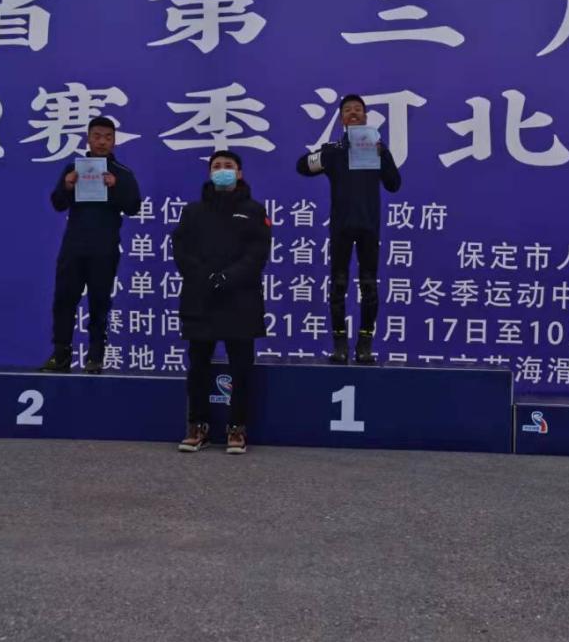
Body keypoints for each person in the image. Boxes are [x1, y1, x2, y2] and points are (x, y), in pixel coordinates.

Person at [172, 150, 271, 454]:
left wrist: (228, 277)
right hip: (201, 298)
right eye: (217, 166)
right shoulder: (193, 212)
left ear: (239, 173)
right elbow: (182, 250)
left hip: (240, 299)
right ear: (210, 173)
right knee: (198, 366)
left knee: (241, 367)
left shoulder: (254, 210)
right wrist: (206, 277)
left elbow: (257, 254)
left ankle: (237, 428)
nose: (223, 170)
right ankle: (197, 426)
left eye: (229, 166)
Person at [295, 94, 402, 365]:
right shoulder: (334, 151)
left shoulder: (377, 149)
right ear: (342, 119)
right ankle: (340, 345)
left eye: (358, 109)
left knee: (369, 287)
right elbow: (302, 166)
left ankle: (365, 345)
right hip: (341, 228)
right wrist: (327, 154)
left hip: (369, 228)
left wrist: (383, 153)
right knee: (338, 286)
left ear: (365, 117)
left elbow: (394, 184)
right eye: (347, 110)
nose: (353, 113)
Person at [39, 116, 142, 375]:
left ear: (114, 141)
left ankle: (95, 358)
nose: (102, 142)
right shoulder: (74, 168)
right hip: (73, 246)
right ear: (88, 138)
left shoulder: (122, 173)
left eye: (108, 137)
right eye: (97, 136)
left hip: (104, 249)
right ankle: (60, 354)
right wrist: (67, 186)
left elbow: (133, 206)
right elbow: (58, 203)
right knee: (64, 299)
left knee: (99, 302)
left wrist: (115, 187)